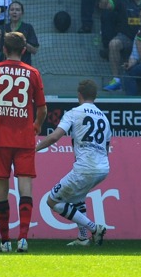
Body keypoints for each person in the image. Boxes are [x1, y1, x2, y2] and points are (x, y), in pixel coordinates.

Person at [0, 32, 47, 254]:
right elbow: (42, 108)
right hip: (24, 138)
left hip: (0, 138)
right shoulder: (33, 73)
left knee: (1, 189)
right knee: (25, 186)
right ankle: (23, 238)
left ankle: (4, 241)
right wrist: (37, 125)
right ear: (24, 50)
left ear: (4, 49)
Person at [34, 79, 110, 247]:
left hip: (86, 168)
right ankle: (83, 238)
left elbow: (55, 136)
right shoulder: (104, 118)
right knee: (78, 198)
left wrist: (35, 149)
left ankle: (93, 227)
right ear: (95, 96)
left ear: (79, 95)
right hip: (103, 168)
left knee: (52, 201)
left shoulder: (74, 112)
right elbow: (106, 146)